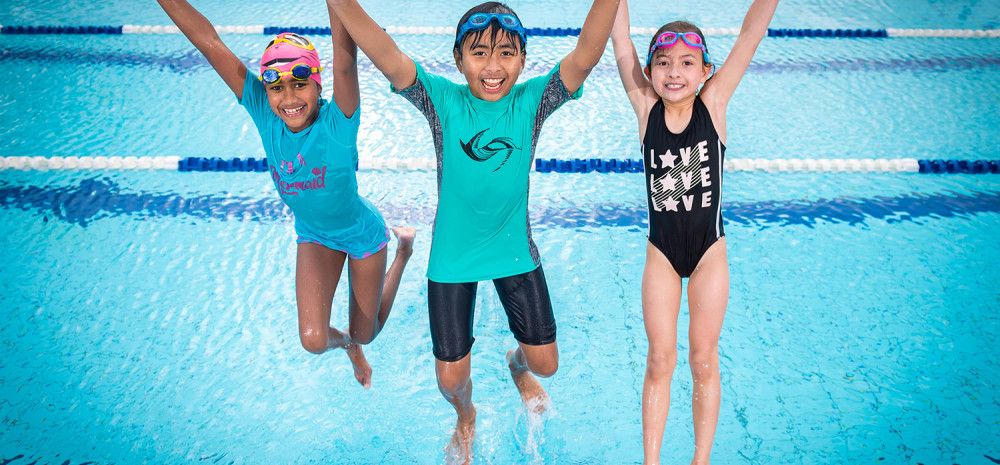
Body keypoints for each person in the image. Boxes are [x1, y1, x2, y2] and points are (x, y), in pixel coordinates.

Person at [327, 0, 618, 461]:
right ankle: (466, 416)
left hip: (513, 250)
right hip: (453, 256)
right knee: (450, 381)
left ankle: (515, 366)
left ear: (523, 60)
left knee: (546, 363)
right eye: (479, 52)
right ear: (459, 59)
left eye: (506, 53)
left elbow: (586, 54)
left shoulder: (531, 102)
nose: (493, 66)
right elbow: (385, 51)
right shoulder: (442, 101)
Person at [156, 0, 415, 388]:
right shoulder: (263, 111)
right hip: (315, 235)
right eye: (276, 88)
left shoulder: (338, 121)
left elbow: (345, 61)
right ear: (266, 91)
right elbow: (208, 42)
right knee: (313, 340)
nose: (289, 98)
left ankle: (403, 253)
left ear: (317, 84)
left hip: (362, 235)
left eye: (299, 84)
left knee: (368, 332)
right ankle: (347, 346)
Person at [610, 1, 778, 463]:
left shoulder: (715, 103)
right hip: (661, 254)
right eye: (662, 63)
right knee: (659, 359)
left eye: (687, 63)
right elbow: (619, 39)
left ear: (707, 70)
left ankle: (700, 461)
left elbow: (751, 34)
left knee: (702, 358)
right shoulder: (646, 107)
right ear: (649, 71)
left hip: (709, 254)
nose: (674, 73)